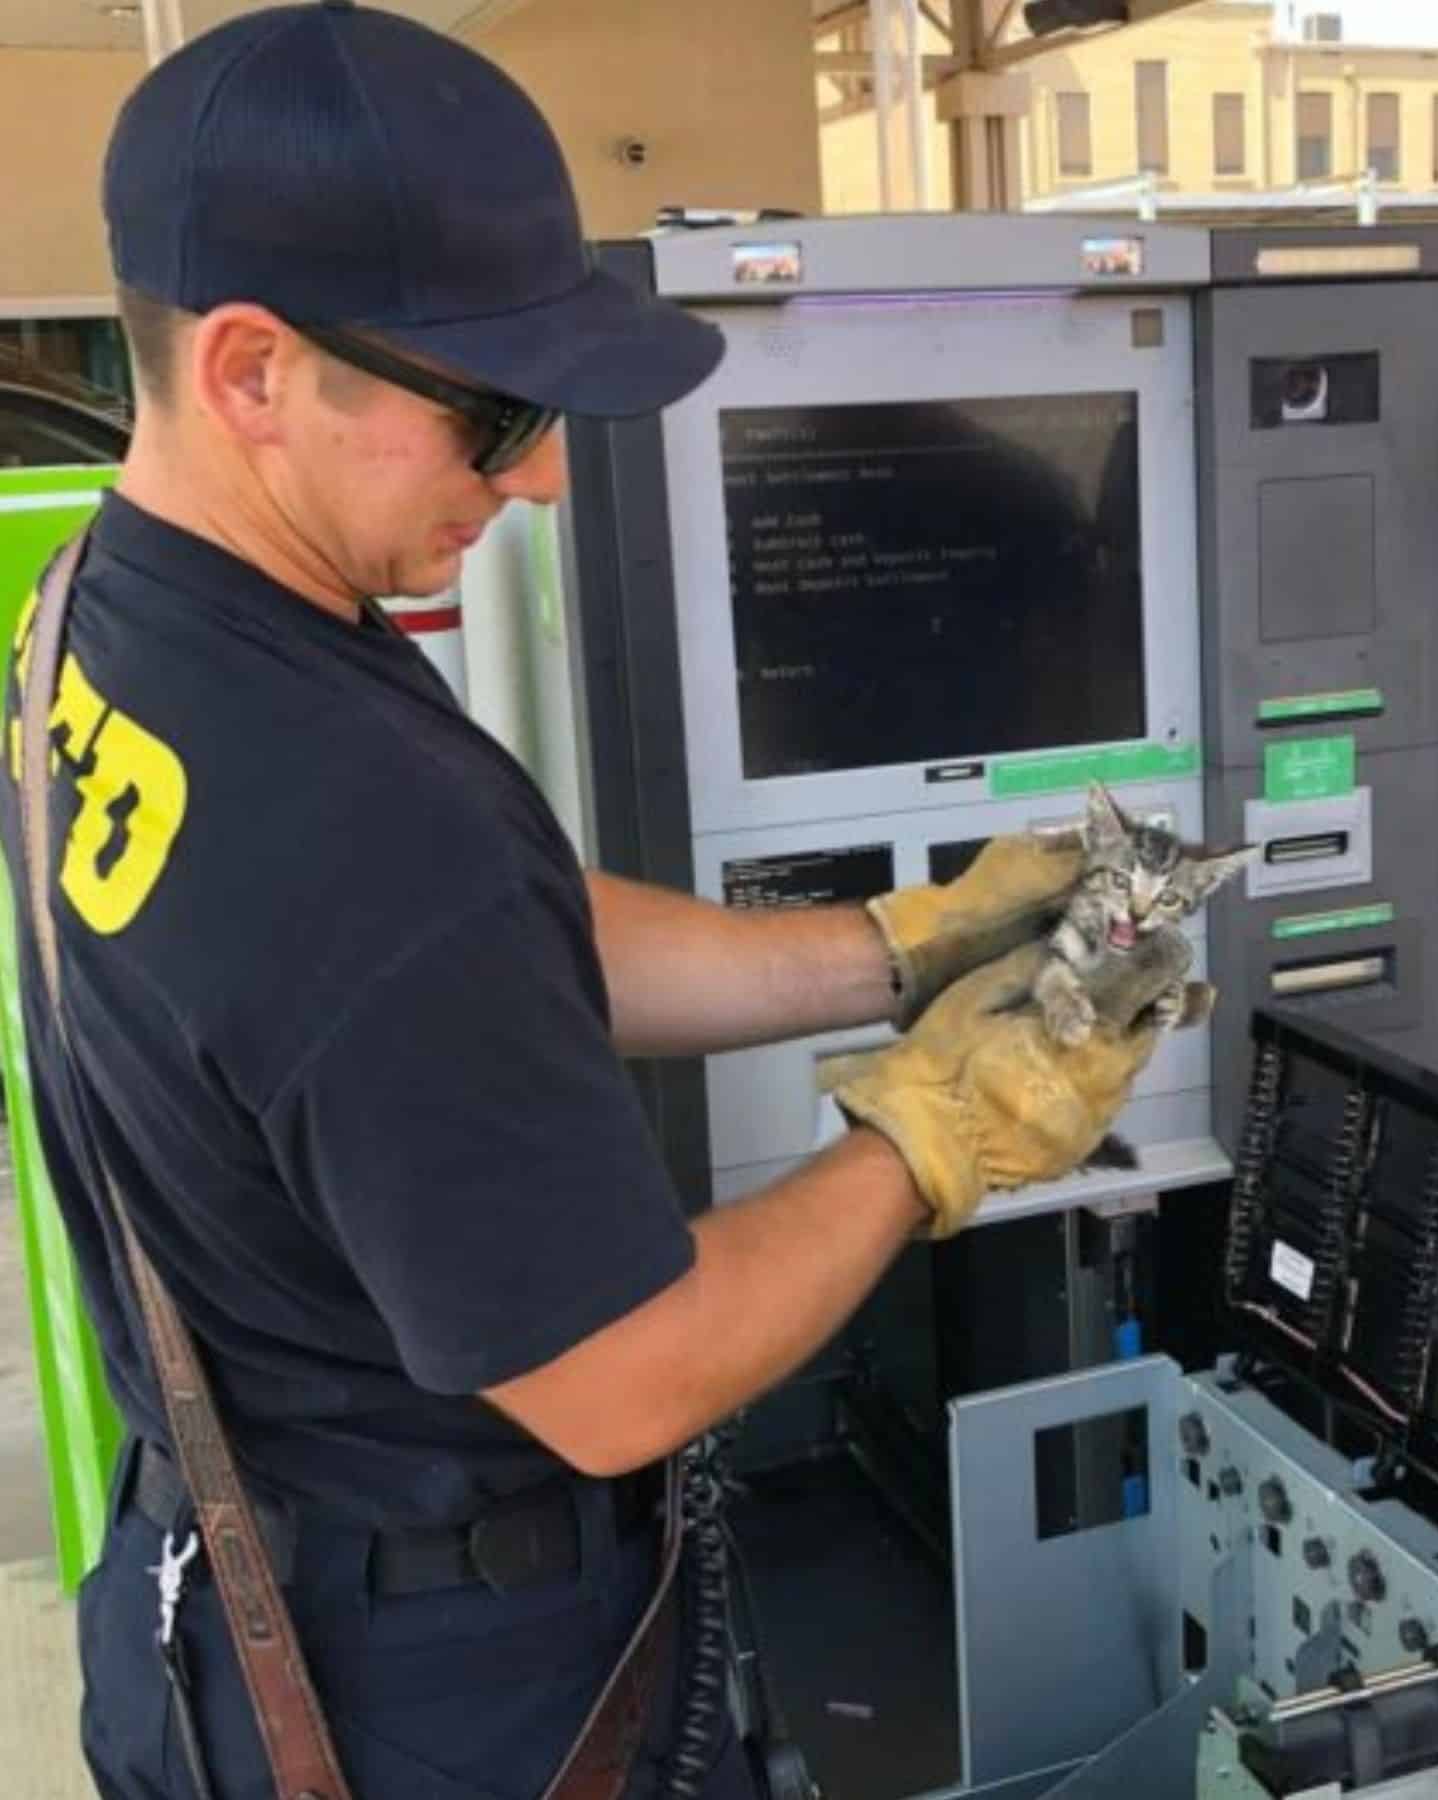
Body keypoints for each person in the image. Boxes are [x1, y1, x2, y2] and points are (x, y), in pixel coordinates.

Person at [0, 5, 1178, 1797]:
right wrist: (934, 1131)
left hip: (234, 1588)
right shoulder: (353, 826)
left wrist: (890, 948)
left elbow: (495, 950)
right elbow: (624, 1378)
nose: (541, 474)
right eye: (493, 412)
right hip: (451, 1704)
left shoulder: (118, 611)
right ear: (251, 371)